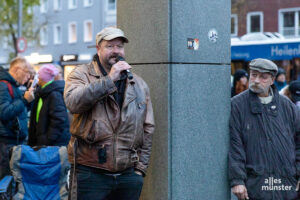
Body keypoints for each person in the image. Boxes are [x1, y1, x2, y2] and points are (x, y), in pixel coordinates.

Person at [64, 27, 155, 200]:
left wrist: (139, 170)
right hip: (90, 173)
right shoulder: (81, 74)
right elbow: (73, 103)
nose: (116, 51)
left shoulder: (138, 83)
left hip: (127, 176)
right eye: (110, 46)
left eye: (119, 46)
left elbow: (148, 127)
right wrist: (108, 80)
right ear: (98, 49)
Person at [228, 58, 300, 200]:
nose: (256, 80)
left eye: (263, 77)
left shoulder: (288, 107)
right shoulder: (237, 105)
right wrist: (237, 180)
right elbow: (235, 145)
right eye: (253, 75)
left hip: (287, 187)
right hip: (255, 188)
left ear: (272, 80)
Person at [0, 57, 35, 179]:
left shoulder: (14, 86)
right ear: (17, 70)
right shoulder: (3, 86)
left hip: (14, 140)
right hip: (6, 142)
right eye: (27, 74)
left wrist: (29, 98)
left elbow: (21, 111)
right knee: (6, 179)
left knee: (13, 177)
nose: (28, 78)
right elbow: (4, 113)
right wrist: (25, 100)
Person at [28, 64, 70, 147]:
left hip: (53, 144)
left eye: (38, 75)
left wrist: (47, 140)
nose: (37, 78)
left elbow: (59, 120)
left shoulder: (54, 94)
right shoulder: (42, 93)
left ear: (43, 78)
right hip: (44, 142)